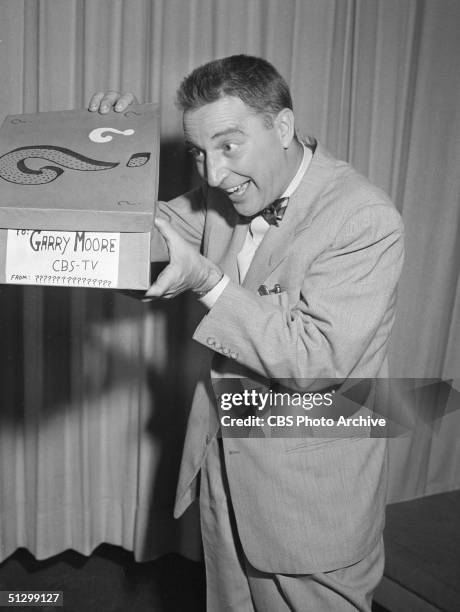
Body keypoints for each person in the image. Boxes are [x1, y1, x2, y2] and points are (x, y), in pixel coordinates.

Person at [90, 55, 404, 611]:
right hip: (227, 476)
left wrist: (208, 280)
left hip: (311, 505)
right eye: (198, 153)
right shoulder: (222, 194)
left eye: (228, 146)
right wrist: (107, 155)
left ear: (282, 127)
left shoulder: (363, 217)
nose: (211, 174)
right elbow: (131, 246)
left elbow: (315, 362)